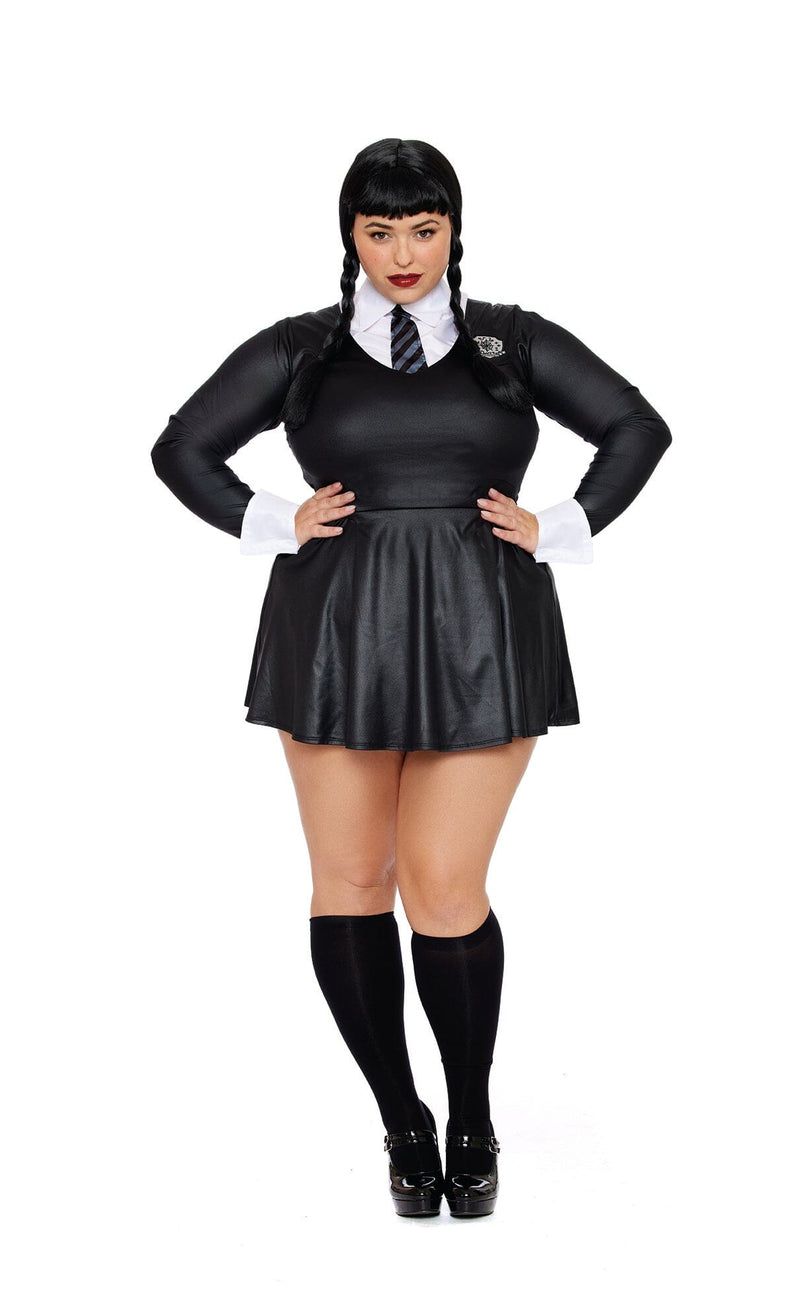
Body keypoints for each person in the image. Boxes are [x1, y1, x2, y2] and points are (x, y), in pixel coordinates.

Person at [150, 137, 672, 1219]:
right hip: (334, 629)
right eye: (379, 230)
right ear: (350, 234)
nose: (401, 254)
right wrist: (272, 518)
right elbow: (182, 449)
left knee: (441, 883)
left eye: (423, 229)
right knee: (350, 881)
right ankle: (402, 1119)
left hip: (484, 622)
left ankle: (471, 1116)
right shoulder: (299, 348)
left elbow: (636, 425)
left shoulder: (511, 341)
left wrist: (560, 524)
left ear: (453, 231)